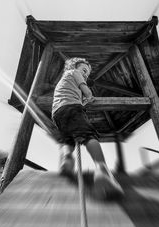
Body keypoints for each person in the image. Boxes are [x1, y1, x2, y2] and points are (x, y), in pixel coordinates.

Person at [52, 57, 123, 199]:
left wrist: (82, 101)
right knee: (89, 135)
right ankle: (102, 170)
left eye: (87, 73)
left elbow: (72, 96)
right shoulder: (74, 73)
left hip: (57, 113)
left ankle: (66, 160)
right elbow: (87, 92)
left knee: (68, 140)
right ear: (74, 66)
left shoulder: (63, 80)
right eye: (84, 70)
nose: (85, 74)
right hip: (72, 108)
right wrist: (89, 96)